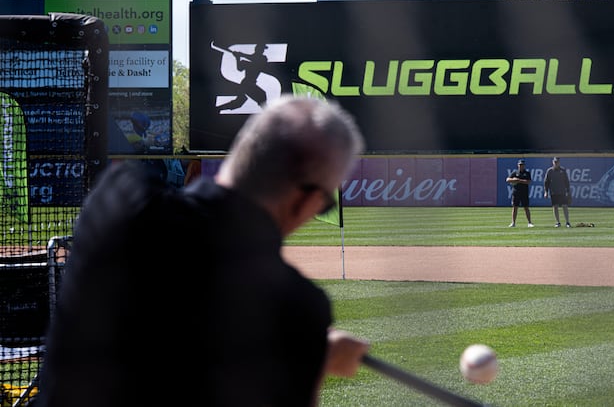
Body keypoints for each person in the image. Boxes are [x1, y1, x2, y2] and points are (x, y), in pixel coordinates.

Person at [37, 95, 370, 407]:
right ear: (303, 199)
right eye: (324, 204)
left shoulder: (119, 199)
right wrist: (310, 352)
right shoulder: (296, 308)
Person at [544, 156, 572, 228]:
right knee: (555, 206)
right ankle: (558, 222)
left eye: (557, 162)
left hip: (562, 191)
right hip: (554, 191)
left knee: (564, 206)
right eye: (555, 162)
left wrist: (568, 191)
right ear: (553, 162)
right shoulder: (549, 171)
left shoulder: (563, 170)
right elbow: (546, 182)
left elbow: (566, 181)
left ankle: (567, 222)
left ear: (559, 162)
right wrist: (546, 191)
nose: (556, 163)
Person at [506, 159, 534, 228]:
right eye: (520, 165)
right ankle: (513, 223)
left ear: (524, 166)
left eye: (522, 165)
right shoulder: (515, 172)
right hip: (516, 192)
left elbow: (528, 181)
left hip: (524, 192)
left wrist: (518, 180)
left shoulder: (527, 173)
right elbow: (507, 179)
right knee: (515, 207)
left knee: (526, 208)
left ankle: (529, 222)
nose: (521, 166)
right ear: (518, 165)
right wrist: (513, 180)